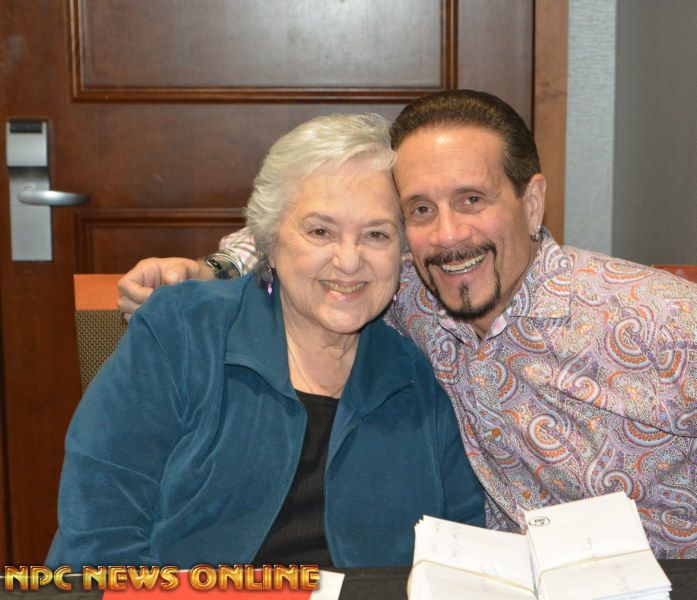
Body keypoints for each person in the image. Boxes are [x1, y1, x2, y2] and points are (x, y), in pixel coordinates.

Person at [117, 90, 697, 559]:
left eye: (472, 200)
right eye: (420, 210)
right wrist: (209, 270)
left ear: (531, 202)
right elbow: (308, 230)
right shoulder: (405, 288)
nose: (448, 235)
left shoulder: (650, 319)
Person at [48, 113, 485, 570]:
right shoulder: (183, 332)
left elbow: (462, 553)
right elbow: (98, 535)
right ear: (269, 242)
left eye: (376, 234)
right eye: (320, 231)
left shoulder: (422, 373)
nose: (349, 260)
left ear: (402, 253)